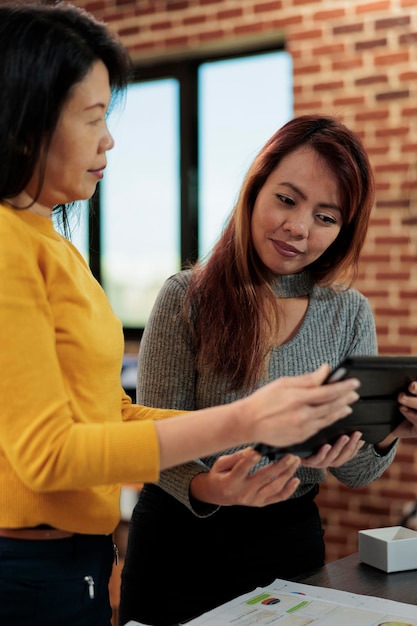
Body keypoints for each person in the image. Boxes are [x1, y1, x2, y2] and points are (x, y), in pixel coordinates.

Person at [0, 4, 367, 626]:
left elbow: (108, 408)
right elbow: (48, 455)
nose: (109, 139)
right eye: (94, 117)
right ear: (26, 121)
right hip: (31, 567)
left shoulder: (50, 243)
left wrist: (239, 431)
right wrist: (247, 420)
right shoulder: (12, 246)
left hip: (77, 561)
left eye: (327, 216)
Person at [119, 114, 417, 626]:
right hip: (181, 537)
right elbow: (154, 441)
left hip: (289, 538)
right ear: (255, 190)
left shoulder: (349, 313)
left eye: (327, 217)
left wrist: (392, 428)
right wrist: (211, 487)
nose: (299, 228)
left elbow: (358, 471)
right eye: (287, 199)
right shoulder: (184, 297)